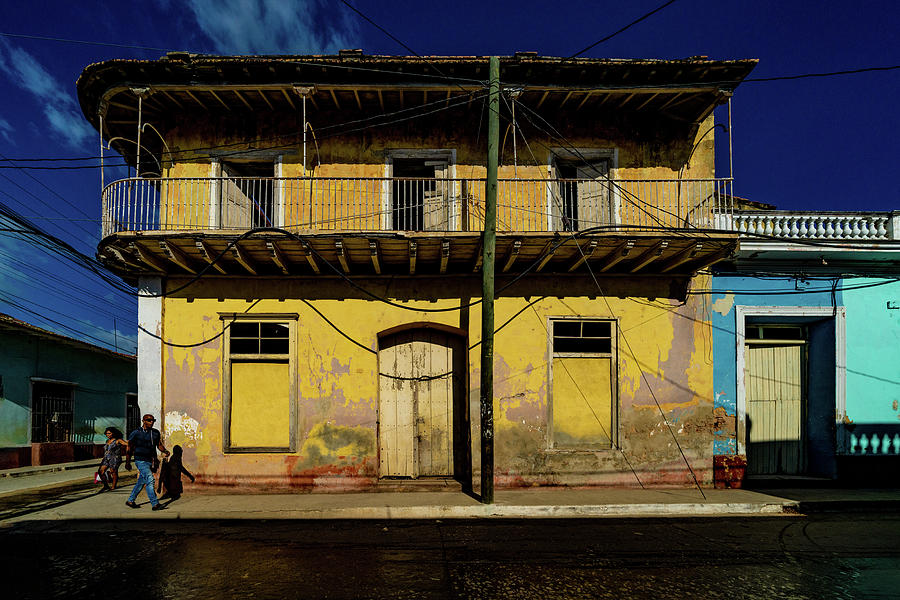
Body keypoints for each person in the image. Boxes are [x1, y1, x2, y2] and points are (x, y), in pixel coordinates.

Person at [124, 414, 170, 511]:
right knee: (150, 480)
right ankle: (155, 504)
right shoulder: (136, 433)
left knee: (141, 482)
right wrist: (127, 462)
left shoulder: (155, 433)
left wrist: (165, 451)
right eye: (149, 420)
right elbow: (129, 448)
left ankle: (130, 500)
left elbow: (159, 445)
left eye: (153, 420)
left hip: (151, 460)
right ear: (143, 421)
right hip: (140, 460)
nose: (151, 422)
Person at [98, 427, 128, 491]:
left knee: (113, 472)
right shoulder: (107, 441)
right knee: (101, 471)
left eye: (109, 433)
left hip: (115, 458)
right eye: (106, 433)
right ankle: (106, 486)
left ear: (113, 433)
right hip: (106, 458)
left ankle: (113, 486)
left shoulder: (118, 440)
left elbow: (127, 444)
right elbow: (106, 450)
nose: (108, 435)